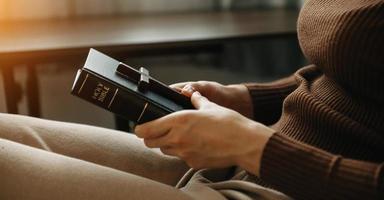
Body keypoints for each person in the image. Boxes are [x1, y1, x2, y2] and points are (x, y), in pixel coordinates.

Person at [0, 0, 383, 199]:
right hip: (256, 157)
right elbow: (349, 73)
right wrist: (245, 100)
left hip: (287, 186)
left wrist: (252, 146)